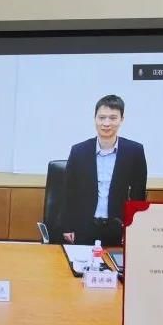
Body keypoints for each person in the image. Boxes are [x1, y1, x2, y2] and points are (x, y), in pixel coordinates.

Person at [62, 94, 147, 246]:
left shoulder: (135, 151)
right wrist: (68, 226)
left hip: (117, 227)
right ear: (95, 118)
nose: (106, 123)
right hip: (84, 226)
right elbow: (69, 191)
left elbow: (138, 194)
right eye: (102, 117)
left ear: (121, 119)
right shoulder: (78, 151)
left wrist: (132, 228)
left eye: (113, 118)